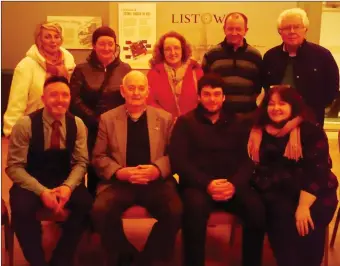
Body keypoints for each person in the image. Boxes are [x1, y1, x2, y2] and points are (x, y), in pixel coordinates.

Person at [169, 73, 265, 266]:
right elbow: (179, 161)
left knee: (257, 210)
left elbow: (248, 160)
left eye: (216, 94)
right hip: (198, 186)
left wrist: (234, 184)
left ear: (223, 97)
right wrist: (208, 184)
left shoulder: (239, 122)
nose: (211, 99)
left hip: (233, 184)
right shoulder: (185, 123)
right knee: (193, 212)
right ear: (199, 97)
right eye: (206, 94)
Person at [91, 70, 182, 266]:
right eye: (131, 88)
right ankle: (125, 255)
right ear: (123, 91)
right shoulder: (108, 119)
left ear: (147, 91)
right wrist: (119, 172)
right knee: (100, 210)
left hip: (155, 182)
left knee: (175, 210)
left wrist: (157, 169)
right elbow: (98, 156)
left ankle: (147, 258)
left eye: (141, 88)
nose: (136, 93)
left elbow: (175, 154)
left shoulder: (164, 118)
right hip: (120, 182)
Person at [6, 76, 93, 266]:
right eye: (54, 95)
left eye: (65, 95)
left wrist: (68, 188)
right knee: (21, 209)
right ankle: (37, 261)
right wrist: (41, 191)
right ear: (43, 98)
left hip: (63, 179)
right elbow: (14, 166)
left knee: (86, 205)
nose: (60, 100)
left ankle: (60, 260)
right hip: (30, 180)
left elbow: (81, 162)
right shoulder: (25, 125)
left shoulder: (77, 125)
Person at [248, 85, 338, 266]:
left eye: (282, 104)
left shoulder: (310, 130)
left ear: (293, 106)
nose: (276, 108)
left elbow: (317, 170)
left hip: (313, 189)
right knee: (280, 215)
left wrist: (303, 206)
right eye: (271, 104)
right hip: (275, 187)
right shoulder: (257, 131)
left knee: (312, 216)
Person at [69, 26, 131, 196]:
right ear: (94, 45)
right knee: (88, 166)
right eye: (102, 44)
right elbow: (74, 100)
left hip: (116, 129)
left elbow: (129, 96)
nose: (106, 48)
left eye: (110, 44)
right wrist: (95, 119)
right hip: (89, 128)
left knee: (112, 167)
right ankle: (86, 210)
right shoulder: (82, 69)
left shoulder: (125, 69)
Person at [262, 7, 339, 127]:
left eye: (297, 27)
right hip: (277, 122)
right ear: (280, 32)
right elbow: (266, 87)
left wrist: (312, 110)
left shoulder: (323, 55)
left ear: (305, 29)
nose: (292, 31)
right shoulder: (270, 56)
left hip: (311, 122)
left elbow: (332, 90)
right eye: (287, 28)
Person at [3, 22, 75, 137]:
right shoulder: (26, 65)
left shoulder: (69, 63)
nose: (53, 41)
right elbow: (16, 103)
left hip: (61, 127)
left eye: (56, 36)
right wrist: (12, 131)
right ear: (39, 40)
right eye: (47, 37)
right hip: (32, 128)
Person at [202, 12, 262, 118]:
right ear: (224, 29)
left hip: (248, 117)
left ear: (246, 30)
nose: (234, 33)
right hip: (219, 118)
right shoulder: (212, 55)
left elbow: (258, 88)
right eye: (230, 28)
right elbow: (205, 87)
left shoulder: (255, 55)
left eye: (238, 29)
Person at [147, 31, 203, 118]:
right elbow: (150, 102)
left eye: (176, 48)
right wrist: (168, 118)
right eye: (168, 49)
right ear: (162, 52)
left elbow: (203, 101)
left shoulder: (196, 72)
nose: (173, 53)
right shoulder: (153, 74)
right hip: (163, 125)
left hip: (191, 125)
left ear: (183, 50)